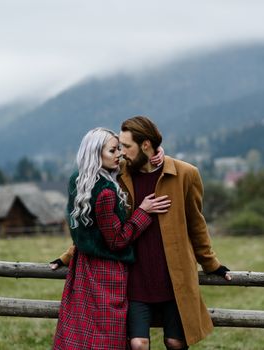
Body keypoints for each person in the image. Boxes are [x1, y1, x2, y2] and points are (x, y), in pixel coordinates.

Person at [52, 127, 171, 350]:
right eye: (113, 150)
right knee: (107, 337)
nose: (119, 154)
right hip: (107, 273)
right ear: (96, 153)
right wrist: (143, 212)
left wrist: (156, 151)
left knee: (81, 333)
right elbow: (117, 240)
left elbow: (86, 231)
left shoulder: (77, 181)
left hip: (83, 268)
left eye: (120, 149)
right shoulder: (106, 192)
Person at [118, 116, 231, 350]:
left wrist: (211, 264)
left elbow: (196, 224)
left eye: (126, 146)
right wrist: (69, 255)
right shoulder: (119, 175)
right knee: (137, 344)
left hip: (174, 278)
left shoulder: (186, 174)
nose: (121, 152)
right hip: (135, 278)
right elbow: (101, 221)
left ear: (146, 145)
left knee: (175, 342)